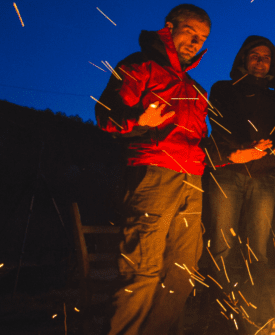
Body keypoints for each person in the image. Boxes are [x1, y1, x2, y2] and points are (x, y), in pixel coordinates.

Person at [93, 4, 211, 334]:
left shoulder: (196, 89)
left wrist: (240, 155)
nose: (195, 41)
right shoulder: (139, 65)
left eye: (201, 38)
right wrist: (138, 122)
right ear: (169, 27)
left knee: (182, 272)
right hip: (154, 173)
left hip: (193, 181)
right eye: (190, 32)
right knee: (142, 268)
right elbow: (106, 114)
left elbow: (200, 142)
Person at [204, 35, 275, 327]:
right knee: (222, 244)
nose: (261, 61)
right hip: (228, 172)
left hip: (262, 177)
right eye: (255, 55)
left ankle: (254, 313)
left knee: (257, 246)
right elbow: (217, 124)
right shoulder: (224, 89)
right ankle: (221, 314)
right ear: (243, 58)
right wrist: (240, 150)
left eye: (266, 57)